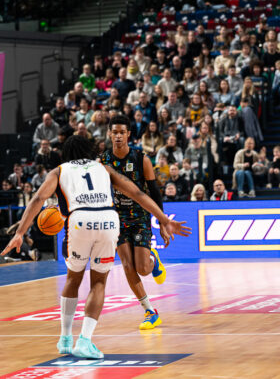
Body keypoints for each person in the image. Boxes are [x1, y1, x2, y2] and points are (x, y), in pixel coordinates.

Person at [1, 135, 191, 358]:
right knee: (98, 282)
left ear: (66, 153)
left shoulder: (59, 171)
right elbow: (138, 194)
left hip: (79, 221)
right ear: (89, 149)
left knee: (73, 278)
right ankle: (85, 341)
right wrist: (163, 219)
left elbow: (37, 199)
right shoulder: (104, 168)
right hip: (108, 220)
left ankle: (64, 339)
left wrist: (21, 232)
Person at [101, 116, 189, 330]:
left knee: (142, 268)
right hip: (116, 217)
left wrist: (163, 222)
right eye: (115, 132)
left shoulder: (142, 159)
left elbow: (155, 193)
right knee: (127, 265)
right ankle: (150, 311)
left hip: (139, 215)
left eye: (123, 132)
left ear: (129, 134)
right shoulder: (102, 161)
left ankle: (152, 259)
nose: (119, 135)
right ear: (110, 134)